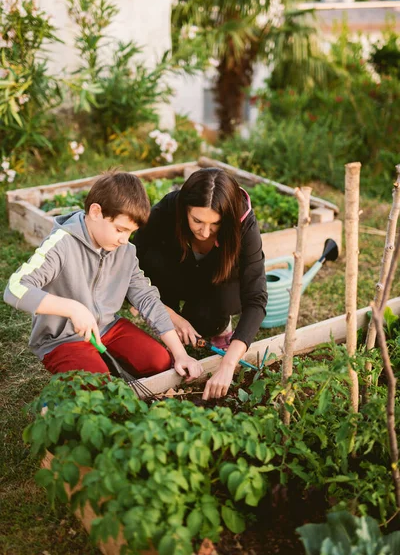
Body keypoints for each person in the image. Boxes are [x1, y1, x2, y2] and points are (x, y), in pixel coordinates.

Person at [3, 171, 203, 383]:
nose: (124, 240)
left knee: (160, 362)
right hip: (63, 339)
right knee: (97, 386)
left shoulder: (125, 252)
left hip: (108, 328)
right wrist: (73, 308)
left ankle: (100, 362)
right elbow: (15, 288)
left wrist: (180, 353)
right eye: (119, 229)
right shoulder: (62, 244)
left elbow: (147, 298)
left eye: (130, 233)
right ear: (96, 212)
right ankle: (64, 393)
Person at [133, 167, 267, 400]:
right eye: (197, 221)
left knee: (206, 321)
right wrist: (171, 316)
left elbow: (256, 298)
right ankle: (170, 316)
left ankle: (218, 325)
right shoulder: (167, 210)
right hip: (176, 275)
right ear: (185, 208)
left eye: (215, 224)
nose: (205, 232)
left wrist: (228, 364)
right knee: (153, 258)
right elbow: (128, 265)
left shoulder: (244, 224)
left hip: (218, 284)